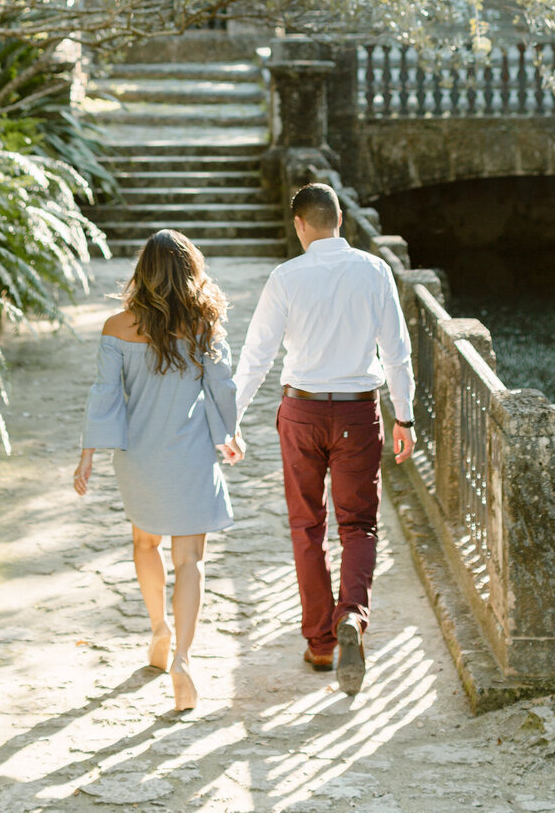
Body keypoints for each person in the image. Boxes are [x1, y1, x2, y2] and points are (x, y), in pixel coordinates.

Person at [233, 182, 415, 695]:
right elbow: (396, 353)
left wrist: (231, 421)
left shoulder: (286, 277)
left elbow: (257, 356)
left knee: (306, 525)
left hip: (302, 410)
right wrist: (405, 418)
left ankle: (319, 642)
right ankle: (353, 617)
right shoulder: (374, 271)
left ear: (300, 226)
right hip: (358, 413)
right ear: (341, 221)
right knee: (359, 525)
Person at [74, 229, 244, 711]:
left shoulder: (115, 327)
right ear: (192, 270)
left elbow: (104, 396)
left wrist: (88, 452)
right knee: (190, 559)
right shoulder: (205, 325)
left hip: (139, 459)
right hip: (189, 456)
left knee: (144, 543)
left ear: (142, 274)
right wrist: (228, 433)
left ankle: (158, 632)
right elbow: (223, 387)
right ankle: (184, 661)